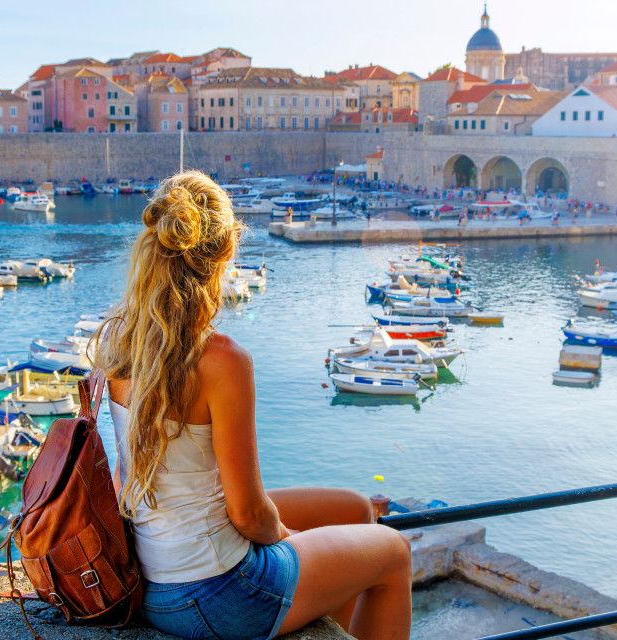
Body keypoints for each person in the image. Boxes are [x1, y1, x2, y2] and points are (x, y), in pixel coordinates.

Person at [93, 170, 412, 640]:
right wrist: (293, 543)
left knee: (354, 510)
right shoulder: (221, 359)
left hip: (152, 581)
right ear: (224, 255)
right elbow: (248, 516)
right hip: (217, 593)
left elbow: (126, 477)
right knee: (394, 551)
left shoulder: (120, 340)